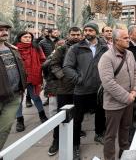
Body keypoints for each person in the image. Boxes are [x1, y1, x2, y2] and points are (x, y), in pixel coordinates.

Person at [63, 21, 107, 160]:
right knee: (77, 119)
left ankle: (99, 134)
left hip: (99, 89)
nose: (87, 32)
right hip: (81, 90)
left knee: (100, 114)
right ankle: (75, 145)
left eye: (90, 30)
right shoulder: (76, 48)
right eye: (86, 30)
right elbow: (67, 67)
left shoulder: (104, 47)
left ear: (96, 32)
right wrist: (79, 79)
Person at [98, 28, 136, 160]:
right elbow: (108, 83)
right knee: (110, 135)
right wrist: (127, 96)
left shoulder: (130, 54)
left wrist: (135, 90)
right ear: (116, 41)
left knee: (126, 128)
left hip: (129, 100)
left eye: (128, 37)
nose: (128, 40)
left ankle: (124, 152)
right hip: (114, 104)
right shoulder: (106, 58)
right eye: (125, 38)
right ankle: (109, 157)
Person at [47, 27, 83, 156]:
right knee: (61, 115)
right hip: (64, 88)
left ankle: (75, 144)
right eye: (73, 34)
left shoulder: (84, 48)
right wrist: (63, 75)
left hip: (79, 87)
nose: (76, 36)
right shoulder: (62, 49)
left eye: (78, 34)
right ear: (68, 35)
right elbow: (54, 64)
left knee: (77, 116)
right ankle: (56, 140)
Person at [0, 22, 27, 149]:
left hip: (14, 96)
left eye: (5, 30)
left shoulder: (13, 49)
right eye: (0, 30)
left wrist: (23, 86)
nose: (4, 32)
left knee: (4, 129)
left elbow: (20, 69)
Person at [14, 31, 48, 132]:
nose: (28, 39)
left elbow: (42, 60)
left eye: (30, 37)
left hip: (34, 77)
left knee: (36, 97)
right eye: (25, 37)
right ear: (19, 38)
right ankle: (20, 120)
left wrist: (41, 72)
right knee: (18, 101)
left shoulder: (36, 47)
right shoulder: (14, 49)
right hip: (18, 78)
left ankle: (42, 115)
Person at [39, 28, 59, 106]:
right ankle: (48, 98)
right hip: (46, 65)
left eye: (57, 32)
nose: (57, 34)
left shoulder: (60, 41)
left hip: (56, 64)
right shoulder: (42, 42)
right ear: (50, 33)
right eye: (55, 32)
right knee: (47, 82)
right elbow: (39, 54)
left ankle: (55, 98)